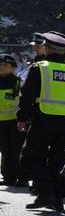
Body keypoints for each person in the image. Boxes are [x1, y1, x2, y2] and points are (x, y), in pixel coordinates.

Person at [19, 31, 65, 211]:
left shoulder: (40, 67)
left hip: (43, 119)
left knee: (29, 158)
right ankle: (55, 198)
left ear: (46, 48)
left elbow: (26, 96)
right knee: (59, 162)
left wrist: (22, 118)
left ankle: (46, 193)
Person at [0, 53, 23, 187]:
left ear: (13, 67)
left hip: (15, 121)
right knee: (4, 150)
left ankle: (22, 177)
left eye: (5, 65)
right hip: (1, 122)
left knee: (17, 150)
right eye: (0, 64)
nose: (1, 67)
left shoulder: (18, 82)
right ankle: (8, 177)